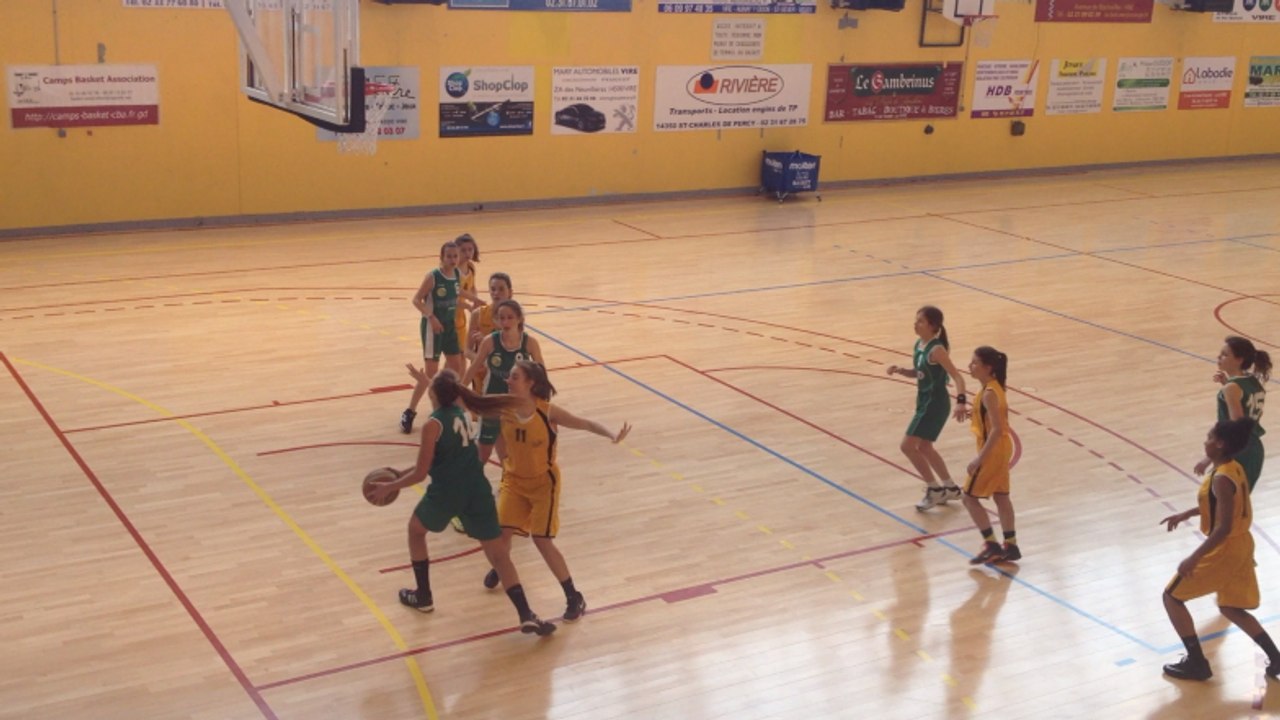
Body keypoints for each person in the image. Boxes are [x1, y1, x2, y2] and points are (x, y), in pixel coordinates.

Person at [370, 369, 557, 636]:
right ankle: (526, 613)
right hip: (477, 489)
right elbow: (438, 458)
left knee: (415, 531)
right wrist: (400, 474)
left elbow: (423, 472)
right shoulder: (462, 413)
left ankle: (423, 597)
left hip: (448, 491)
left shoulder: (433, 425)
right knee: (498, 555)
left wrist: (390, 486)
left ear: (433, 394)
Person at [479, 359, 631, 623]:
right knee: (500, 536)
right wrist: (504, 459)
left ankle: (574, 596)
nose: (508, 380)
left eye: (514, 377)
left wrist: (610, 434)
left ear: (530, 384)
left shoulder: (547, 412)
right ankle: (502, 567)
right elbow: (493, 430)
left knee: (542, 540)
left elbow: (584, 423)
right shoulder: (503, 406)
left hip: (543, 485)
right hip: (514, 482)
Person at [1159, 418, 1279, 681]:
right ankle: (1277, 658)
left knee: (1172, 597)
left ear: (1220, 444)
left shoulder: (1222, 478)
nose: (1205, 441)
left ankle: (1196, 662)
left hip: (1225, 548)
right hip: (1242, 545)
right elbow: (1222, 508)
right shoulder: (1232, 467)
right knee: (1231, 608)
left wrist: (1194, 557)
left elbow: (1223, 527)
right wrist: (1187, 513)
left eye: (1209, 437)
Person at [886, 305, 968, 511]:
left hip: (935, 403)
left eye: (920, 321)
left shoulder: (937, 349)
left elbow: (958, 376)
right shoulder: (920, 344)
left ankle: (934, 490)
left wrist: (960, 401)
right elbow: (920, 372)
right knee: (924, 447)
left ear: (932, 326)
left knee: (907, 446)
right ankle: (949, 487)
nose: (915, 324)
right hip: (924, 401)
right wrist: (902, 371)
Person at [461, 299, 545, 465]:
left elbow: (541, 373)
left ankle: (510, 482)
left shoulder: (530, 343)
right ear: (496, 321)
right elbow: (472, 369)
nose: (505, 322)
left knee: (514, 448)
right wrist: (459, 392)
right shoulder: (490, 341)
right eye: (502, 318)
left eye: (510, 317)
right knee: (483, 451)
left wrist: (540, 400)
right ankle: (470, 483)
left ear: (519, 318)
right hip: (492, 401)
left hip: (517, 404)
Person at [959, 346, 1019, 565]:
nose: (970, 366)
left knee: (968, 498)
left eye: (975, 363)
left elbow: (995, 428)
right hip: (1002, 448)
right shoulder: (992, 388)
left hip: (993, 450)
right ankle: (1010, 545)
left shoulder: (989, 394)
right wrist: (970, 413)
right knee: (1001, 496)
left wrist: (979, 459)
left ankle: (991, 545)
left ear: (988, 367)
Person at [400, 242, 466, 434]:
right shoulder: (433, 277)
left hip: (449, 327)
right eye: (449, 256)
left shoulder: (457, 275)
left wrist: (472, 303)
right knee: (430, 374)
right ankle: (410, 411)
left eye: (455, 256)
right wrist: (431, 317)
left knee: (456, 366)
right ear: (441, 257)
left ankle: (446, 404)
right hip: (432, 328)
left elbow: (456, 295)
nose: (453, 260)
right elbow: (416, 299)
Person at [1194, 336, 1269, 491]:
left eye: (1225, 354)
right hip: (1254, 449)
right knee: (1238, 504)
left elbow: (1236, 428)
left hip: (1239, 450)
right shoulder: (1253, 381)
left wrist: (1209, 458)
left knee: (1220, 502)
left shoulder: (1232, 388)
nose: (1219, 357)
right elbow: (1246, 405)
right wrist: (1227, 383)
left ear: (1239, 360)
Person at [466, 272, 515, 382]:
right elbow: (467, 350)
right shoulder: (478, 314)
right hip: (483, 375)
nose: (496, 293)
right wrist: (480, 361)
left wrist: (486, 340)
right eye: (493, 289)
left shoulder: (515, 318)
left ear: (510, 292)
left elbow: (514, 348)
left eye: (501, 289)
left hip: (506, 372)